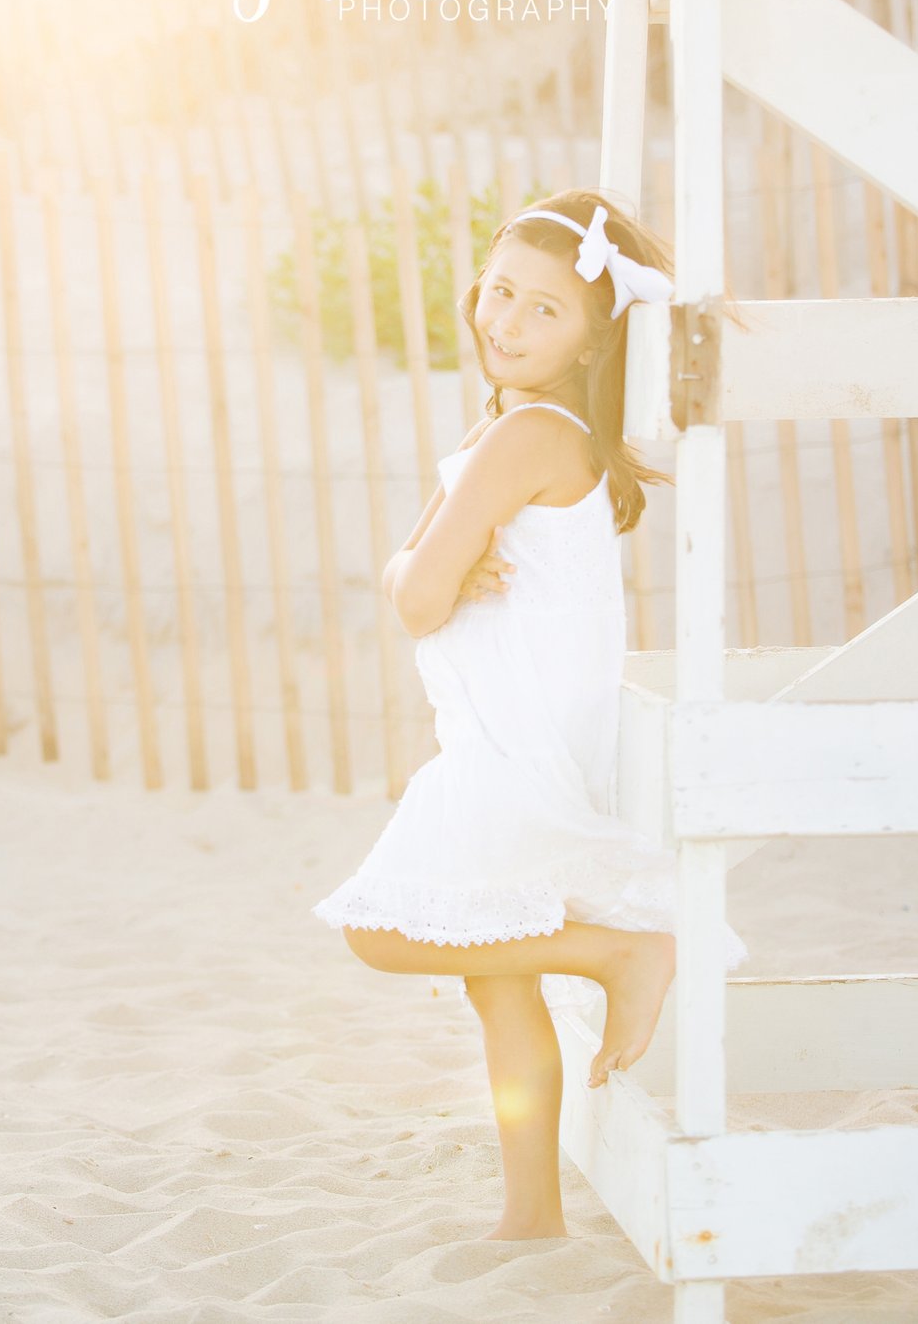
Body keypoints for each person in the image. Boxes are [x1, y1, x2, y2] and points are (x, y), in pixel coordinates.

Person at [310, 188, 748, 1242]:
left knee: (380, 930)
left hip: (515, 742)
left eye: (543, 310)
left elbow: (414, 594)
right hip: (508, 729)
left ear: (594, 338)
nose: (505, 322)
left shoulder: (530, 437)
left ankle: (616, 952)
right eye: (499, 293)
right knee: (491, 974)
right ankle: (530, 1214)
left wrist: (432, 572)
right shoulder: (509, 431)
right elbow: (406, 569)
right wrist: (433, 566)